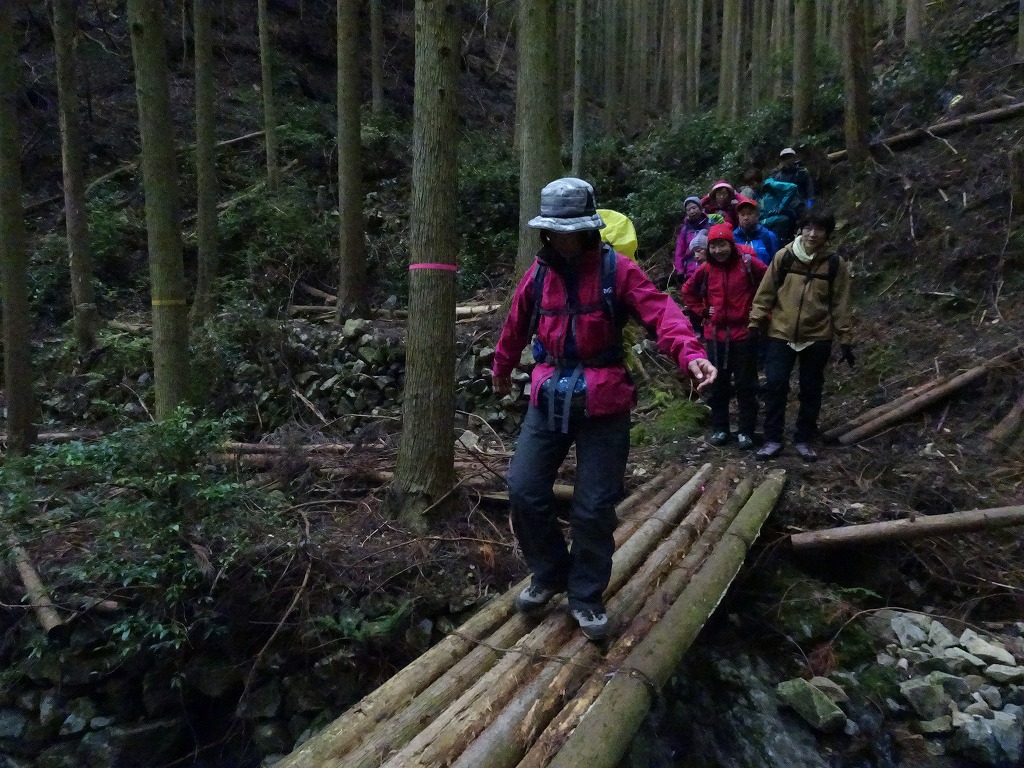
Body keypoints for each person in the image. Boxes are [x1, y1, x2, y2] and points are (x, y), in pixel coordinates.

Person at [491, 178, 716, 641]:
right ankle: (549, 574)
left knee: (593, 507)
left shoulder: (619, 271)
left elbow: (662, 314)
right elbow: (516, 322)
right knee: (524, 489)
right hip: (549, 396)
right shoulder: (539, 274)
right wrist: (502, 366)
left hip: (604, 402)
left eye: (570, 230)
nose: (562, 238)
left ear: (588, 228)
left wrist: (691, 354)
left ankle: (586, 594)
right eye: (554, 230)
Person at [747, 209, 854, 461]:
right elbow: (765, 293)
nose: (812, 234)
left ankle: (804, 438)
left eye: (819, 229)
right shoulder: (784, 257)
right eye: (808, 228)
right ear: (800, 229)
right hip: (781, 332)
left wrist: (845, 338)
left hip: (818, 335)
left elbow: (841, 304)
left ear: (827, 234)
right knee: (775, 385)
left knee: (811, 389)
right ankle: (773, 438)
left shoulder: (834, 264)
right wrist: (755, 323)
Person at [681, 224, 767, 450]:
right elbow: (687, 291)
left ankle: (746, 431)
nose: (718, 250)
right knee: (717, 382)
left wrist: (760, 312)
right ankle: (720, 428)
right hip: (715, 335)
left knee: (746, 383)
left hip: (744, 333)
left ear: (731, 244)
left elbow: (770, 283)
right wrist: (702, 311)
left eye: (722, 245)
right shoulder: (706, 269)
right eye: (714, 246)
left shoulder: (748, 264)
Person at [671, 196, 711, 287]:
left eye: (694, 208)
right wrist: (679, 270)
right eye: (688, 210)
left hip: (709, 268)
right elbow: (679, 251)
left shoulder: (710, 225)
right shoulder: (685, 230)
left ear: (700, 208)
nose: (692, 211)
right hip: (690, 271)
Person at [733, 198, 781, 266]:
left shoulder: (768, 236)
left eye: (750, 214)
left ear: (757, 216)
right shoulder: (733, 237)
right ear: (738, 216)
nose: (746, 218)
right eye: (742, 214)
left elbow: (775, 264)